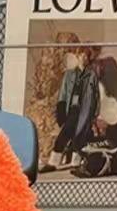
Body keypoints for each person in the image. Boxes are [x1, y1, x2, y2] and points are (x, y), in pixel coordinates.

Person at [41, 44, 101, 172]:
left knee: (80, 135)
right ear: (77, 57)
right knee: (65, 133)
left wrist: (95, 115)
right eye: (81, 55)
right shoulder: (69, 74)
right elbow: (63, 93)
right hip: (72, 108)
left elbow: (96, 97)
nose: (84, 58)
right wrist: (61, 111)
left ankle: (76, 163)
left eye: (86, 56)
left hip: (85, 111)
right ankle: (53, 163)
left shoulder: (92, 75)